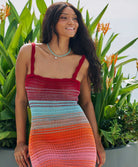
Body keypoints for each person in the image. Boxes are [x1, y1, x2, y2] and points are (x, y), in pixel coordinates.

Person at [14, 2, 105, 167]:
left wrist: (97, 142)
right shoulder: (29, 52)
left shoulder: (81, 62)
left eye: (75, 19)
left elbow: (86, 103)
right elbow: (21, 100)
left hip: (79, 136)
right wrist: (20, 142)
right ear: (51, 22)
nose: (72, 22)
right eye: (64, 18)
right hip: (42, 138)